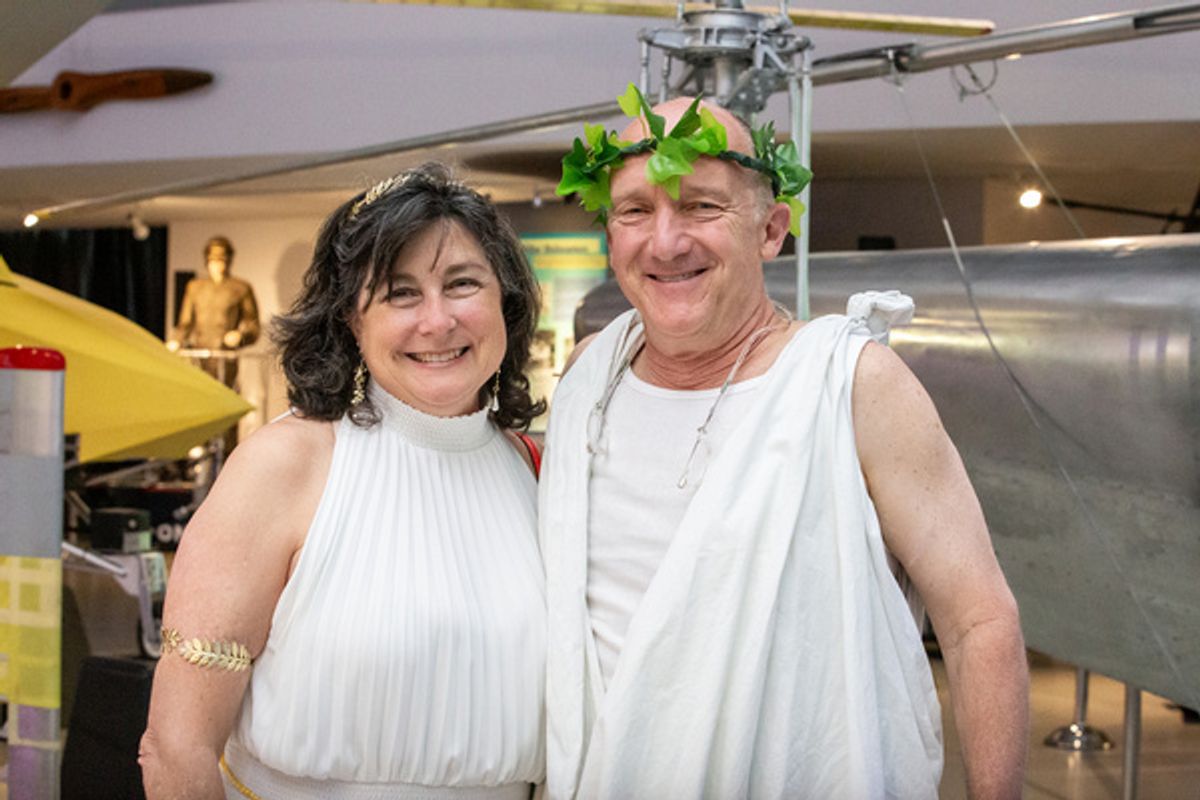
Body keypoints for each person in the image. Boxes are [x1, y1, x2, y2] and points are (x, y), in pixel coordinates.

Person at [541, 89, 1029, 799]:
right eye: (635, 210)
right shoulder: (591, 374)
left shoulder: (849, 382)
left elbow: (980, 620)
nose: (666, 240)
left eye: (702, 206)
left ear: (771, 230)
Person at [140, 163, 548, 799]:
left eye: (462, 283)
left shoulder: (534, 471)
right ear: (351, 322)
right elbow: (176, 748)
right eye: (400, 292)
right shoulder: (285, 465)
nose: (437, 321)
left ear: (506, 302)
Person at [167, 236, 261, 388]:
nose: (218, 264)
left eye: (222, 258)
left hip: (225, 355)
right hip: (199, 354)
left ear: (229, 259)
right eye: (213, 259)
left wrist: (240, 335)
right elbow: (185, 323)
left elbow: (253, 325)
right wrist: (176, 340)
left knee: (225, 394)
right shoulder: (195, 287)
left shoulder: (240, 288)